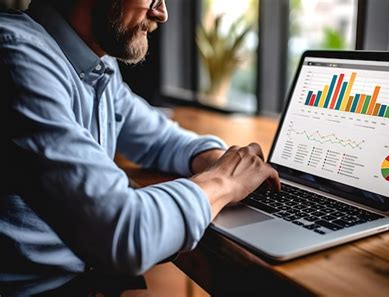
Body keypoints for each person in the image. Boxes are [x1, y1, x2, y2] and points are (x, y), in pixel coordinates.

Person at [0, 0, 280, 279]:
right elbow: (124, 233)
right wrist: (224, 182)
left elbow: (157, 137)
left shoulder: (94, 59)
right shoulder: (16, 57)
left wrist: (214, 158)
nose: (162, 14)